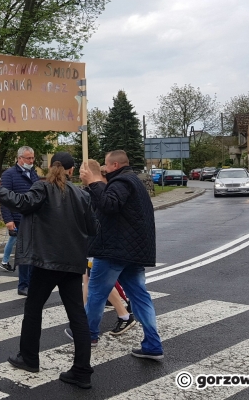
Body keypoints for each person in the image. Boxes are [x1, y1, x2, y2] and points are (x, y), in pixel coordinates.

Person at [0, 152, 98, 389]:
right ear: (71, 170)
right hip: (73, 262)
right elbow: (92, 228)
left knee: (33, 309)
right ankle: (82, 370)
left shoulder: (42, 188)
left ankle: (29, 357)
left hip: (46, 261)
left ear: (50, 166)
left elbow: (19, 202)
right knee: (77, 316)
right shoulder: (81, 194)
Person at [78, 149, 164, 360]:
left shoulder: (122, 183)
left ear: (115, 166)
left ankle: (88, 335)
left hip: (114, 251)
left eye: (107, 165)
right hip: (133, 252)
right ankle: (153, 345)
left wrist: (93, 183)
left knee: (97, 293)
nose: (105, 169)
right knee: (140, 296)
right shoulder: (134, 182)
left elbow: (109, 205)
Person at [0, 146, 39, 295]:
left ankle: (33, 282)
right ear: (20, 158)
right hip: (19, 219)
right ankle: (23, 285)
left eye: (32, 158)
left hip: (34, 218)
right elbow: (4, 198)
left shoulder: (33, 173)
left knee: (35, 253)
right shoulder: (9, 174)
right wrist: (8, 220)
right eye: (29, 158)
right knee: (24, 253)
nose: (31, 161)